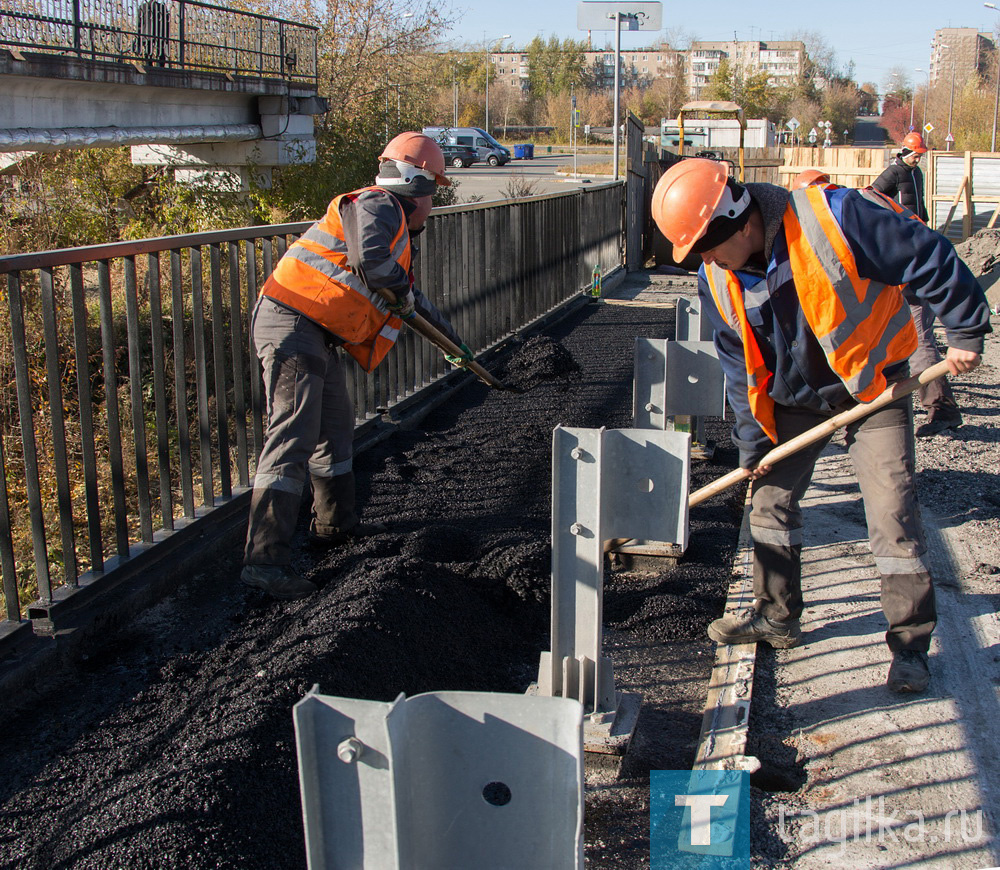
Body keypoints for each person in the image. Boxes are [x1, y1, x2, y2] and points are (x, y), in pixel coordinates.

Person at [651, 158, 991, 693]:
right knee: (768, 502)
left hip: (872, 386)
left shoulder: (834, 217)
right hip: (794, 401)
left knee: (892, 512)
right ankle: (776, 616)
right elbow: (739, 368)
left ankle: (909, 647)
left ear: (743, 224)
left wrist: (966, 327)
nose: (705, 259)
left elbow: (927, 254)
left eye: (706, 246)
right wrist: (752, 442)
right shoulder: (715, 278)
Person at [242, 132, 471, 600]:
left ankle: (334, 528)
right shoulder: (377, 204)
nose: (433, 203)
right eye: (434, 192)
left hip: (314, 333)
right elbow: (373, 265)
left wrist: (456, 347)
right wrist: (402, 295)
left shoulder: (394, 231)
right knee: (292, 436)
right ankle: (264, 563)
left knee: (335, 426)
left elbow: (411, 297)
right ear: (417, 183)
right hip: (291, 325)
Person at [872, 132, 963, 436]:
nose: (919, 158)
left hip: (916, 264)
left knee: (920, 341)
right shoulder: (894, 175)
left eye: (921, 155)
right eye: (916, 154)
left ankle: (942, 408)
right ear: (903, 152)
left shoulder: (914, 176)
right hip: (918, 257)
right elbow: (874, 198)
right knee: (902, 335)